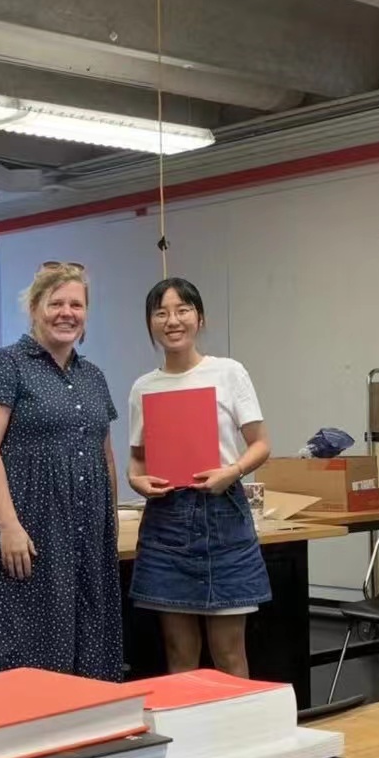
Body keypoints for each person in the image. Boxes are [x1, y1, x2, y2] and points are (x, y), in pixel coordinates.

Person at [0, 261, 123, 682]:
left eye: (76, 305)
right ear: (33, 308)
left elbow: (104, 455)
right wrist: (9, 525)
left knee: (85, 642)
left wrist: (110, 520)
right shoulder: (3, 364)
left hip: (81, 534)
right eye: (56, 303)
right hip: (23, 528)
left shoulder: (93, 377)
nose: (67, 313)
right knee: (18, 647)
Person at [126, 277, 272, 678]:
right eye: (161, 313)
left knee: (229, 652)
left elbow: (261, 444)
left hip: (222, 514)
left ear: (200, 318)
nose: (172, 321)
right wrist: (136, 480)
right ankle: (187, 722)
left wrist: (232, 472)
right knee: (179, 653)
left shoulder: (228, 372)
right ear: (150, 323)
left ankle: (239, 722)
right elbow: (136, 460)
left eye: (182, 310)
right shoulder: (143, 387)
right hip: (166, 521)